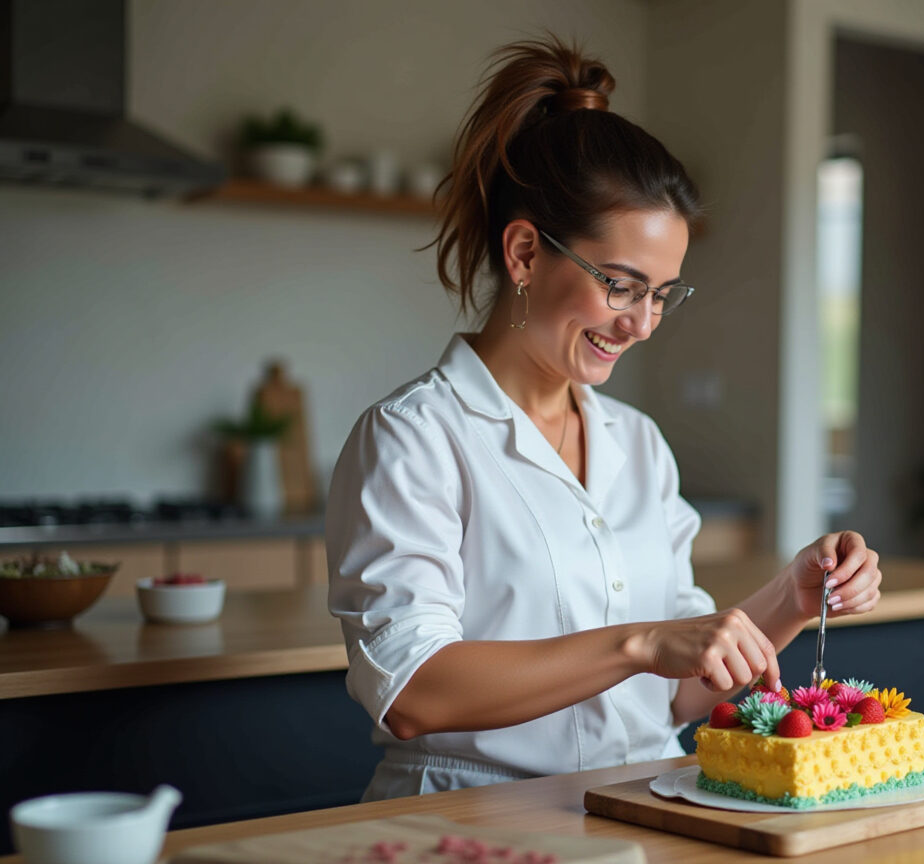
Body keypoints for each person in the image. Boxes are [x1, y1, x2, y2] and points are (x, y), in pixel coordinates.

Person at [326, 37, 884, 801]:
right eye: (621, 286)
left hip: (643, 809)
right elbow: (416, 692)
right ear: (524, 253)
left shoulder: (638, 444)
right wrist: (641, 642)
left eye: (662, 294)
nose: (644, 323)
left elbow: (682, 693)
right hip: (472, 818)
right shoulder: (413, 437)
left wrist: (791, 594)